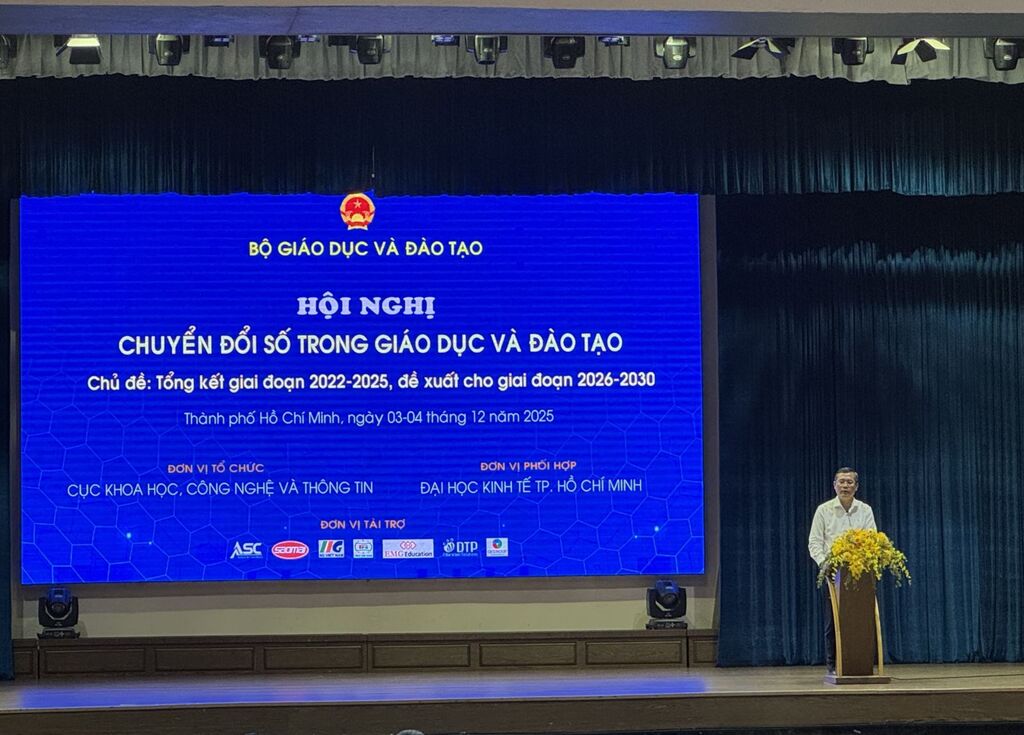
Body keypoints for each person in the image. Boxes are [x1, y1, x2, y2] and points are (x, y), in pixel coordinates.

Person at [807, 467, 876, 674]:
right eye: (841, 482)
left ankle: (861, 664)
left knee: (861, 621)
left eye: (849, 482)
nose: (845, 486)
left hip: (860, 573)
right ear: (834, 485)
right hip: (833, 573)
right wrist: (824, 563)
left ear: (856, 486)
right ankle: (833, 665)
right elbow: (814, 542)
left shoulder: (865, 510)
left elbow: (872, 538)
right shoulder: (824, 510)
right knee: (833, 621)